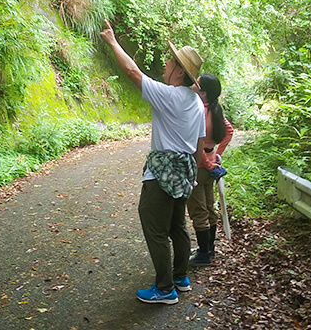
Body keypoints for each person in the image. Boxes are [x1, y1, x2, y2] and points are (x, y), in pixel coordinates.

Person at [100, 20, 206, 304]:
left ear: (179, 71)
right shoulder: (196, 103)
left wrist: (112, 41)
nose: (165, 64)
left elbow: (133, 71)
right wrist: (192, 179)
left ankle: (164, 289)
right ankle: (180, 277)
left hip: (161, 174)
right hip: (185, 172)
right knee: (176, 226)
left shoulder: (169, 96)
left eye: (170, 61)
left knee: (153, 224)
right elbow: (198, 146)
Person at [186, 73, 234, 266]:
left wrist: (207, 162)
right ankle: (210, 249)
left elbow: (195, 143)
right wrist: (216, 154)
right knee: (208, 207)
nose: (192, 85)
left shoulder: (197, 111)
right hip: (209, 164)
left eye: (196, 83)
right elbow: (229, 131)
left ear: (203, 93)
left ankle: (204, 254)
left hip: (199, 166)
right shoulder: (215, 109)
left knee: (198, 211)